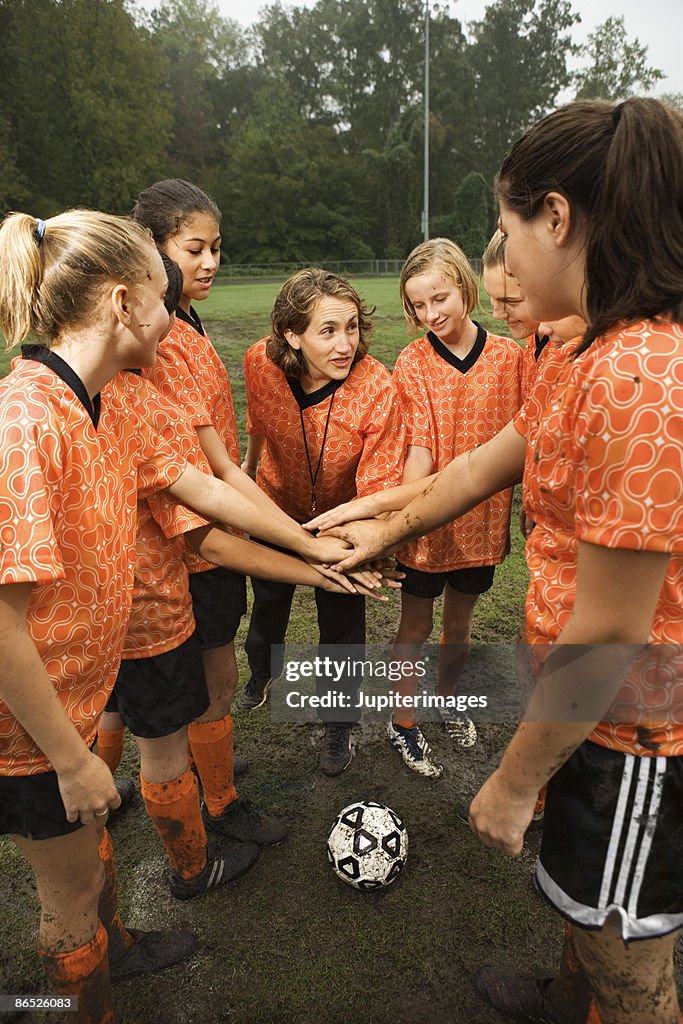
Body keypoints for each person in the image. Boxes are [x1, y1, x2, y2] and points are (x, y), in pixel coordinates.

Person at [309, 97, 683, 1024]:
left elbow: (609, 629)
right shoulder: (578, 346)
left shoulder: (641, 376)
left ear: (556, 218)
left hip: (637, 727)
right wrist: (381, 526)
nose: (504, 259)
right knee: (585, 911)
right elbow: (481, 465)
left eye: (509, 229)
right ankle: (566, 997)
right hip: (586, 707)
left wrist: (513, 783)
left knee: (630, 961)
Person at [0, 210, 354, 1024]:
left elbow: (205, 487)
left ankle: (112, 947)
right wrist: (72, 758)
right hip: (30, 726)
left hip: (76, 701)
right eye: (163, 296)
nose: (176, 316)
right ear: (124, 304)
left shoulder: (110, 400)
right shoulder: (27, 419)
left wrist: (308, 544)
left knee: (85, 869)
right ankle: (71, 999)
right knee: (67, 892)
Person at [129, 182, 368, 836]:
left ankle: (221, 791)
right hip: (196, 548)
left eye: (216, 249)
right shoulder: (161, 342)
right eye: (194, 248)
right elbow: (209, 490)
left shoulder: (186, 321)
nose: (210, 263)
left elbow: (224, 463)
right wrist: (308, 549)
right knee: (200, 690)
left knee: (185, 692)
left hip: (232, 524)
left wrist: (321, 536)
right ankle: (216, 807)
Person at [240, 269, 405, 775]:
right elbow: (257, 424)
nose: (345, 345)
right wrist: (247, 476)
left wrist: (357, 546)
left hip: (343, 523)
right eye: (328, 331)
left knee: (341, 619)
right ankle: (262, 671)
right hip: (274, 508)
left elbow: (379, 482)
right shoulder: (258, 363)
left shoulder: (377, 383)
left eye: (352, 328)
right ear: (292, 334)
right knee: (267, 603)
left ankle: (339, 718)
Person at [387, 238, 521, 777]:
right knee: (414, 628)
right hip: (426, 529)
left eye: (439, 298)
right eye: (418, 305)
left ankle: (446, 700)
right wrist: (400, 525)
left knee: (460, 627)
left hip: (483, 528)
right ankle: (402, 721)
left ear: (465, 287)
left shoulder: (511, 358)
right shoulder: (412, 362)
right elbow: (416, 452)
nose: (430, 314)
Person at [482, 228, 550, 401]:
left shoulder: (567, 348)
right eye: (492, 297)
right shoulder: (532, 341)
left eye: (510, 302)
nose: (496, 314)